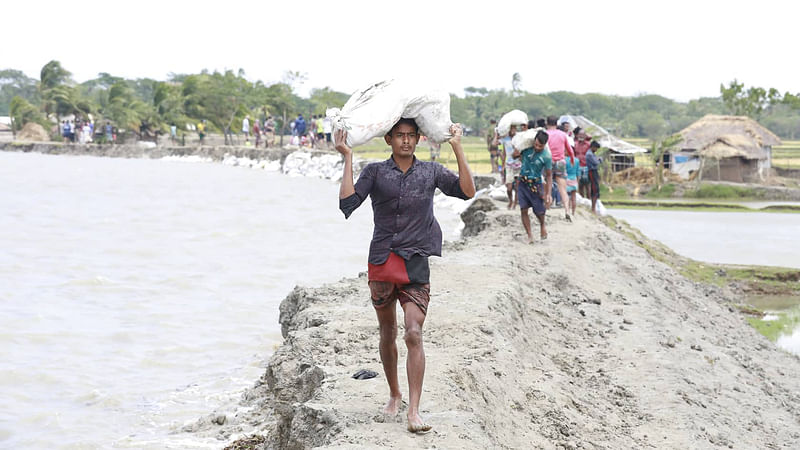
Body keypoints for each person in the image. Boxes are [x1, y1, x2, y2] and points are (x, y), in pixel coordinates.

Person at [335, 118, 475, 434]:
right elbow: (347, 204)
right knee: (387, 332)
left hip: (415, 262)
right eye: (400, 135)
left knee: (413, 332)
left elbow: (467, 191)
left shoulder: (431, 172)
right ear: (389, 139)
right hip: (382, 260)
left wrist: (457, 146)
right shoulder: (375, 172)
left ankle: (414, 411)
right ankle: (394, 393)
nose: (406, 141)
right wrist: (347, 156)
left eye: (412, 135)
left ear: (420, 139)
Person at [516, 129, 552, 243]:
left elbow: (549, 175)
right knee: (523, 209)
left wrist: (548, 194)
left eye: (540, 146)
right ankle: (530, 235)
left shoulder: (546, 156)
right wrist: (517, 151)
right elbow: (514, 155)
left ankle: (542, 225)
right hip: (522, 182)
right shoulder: (526, 149)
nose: (537, 147)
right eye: (536, 144)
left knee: (539, 211)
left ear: (544, 145)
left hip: (536, 185)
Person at [546, 116, 575, 222]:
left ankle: (547, 206)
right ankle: (567, 210)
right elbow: (569, 149)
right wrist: (571, 159)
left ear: (547, 123)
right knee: (562, 188)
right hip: (560, 162)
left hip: (548, 161)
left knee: (547, 185)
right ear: (557, 123)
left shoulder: (546, 134)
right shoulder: (563, 134)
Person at [500, 124, 521, 209]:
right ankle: (510, 200)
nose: (513, 130)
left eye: (514, 128)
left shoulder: (519, 139)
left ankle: (515, 203)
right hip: (509, 165)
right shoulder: (505, 139)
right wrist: (502, 166)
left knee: (517, 186)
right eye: (511, 129)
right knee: (509, 187)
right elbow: (504, 153)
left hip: (518, 164)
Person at [573, 127, 592, 198]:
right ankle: (582, 199)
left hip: (586, 166)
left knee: (587, 185)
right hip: (578, 167)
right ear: (577, 135)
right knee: (580, 185)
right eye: (579, 135)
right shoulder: (575, 144)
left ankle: (589, 200)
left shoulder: (588, 144)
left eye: (583, 135)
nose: (581, 136)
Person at [586, 140, 602, 214]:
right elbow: (596, 162)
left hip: (594, 171)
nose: (596, 150)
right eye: (596, 148)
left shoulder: (592, 154)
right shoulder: (589, 154)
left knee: (595, 189)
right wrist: (599, 160)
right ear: (593, 147)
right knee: (594, 189)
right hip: (592, 172)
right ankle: (593, 208)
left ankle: (594, 207)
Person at [565, 149, 580, 217]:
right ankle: (573, 212)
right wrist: (578, 182)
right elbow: (578, 173)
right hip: (574, 180)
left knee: (566, 197)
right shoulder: (576, 160)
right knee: (574, 197)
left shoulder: (564, 160)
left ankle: (567, 211)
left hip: (566, 180)